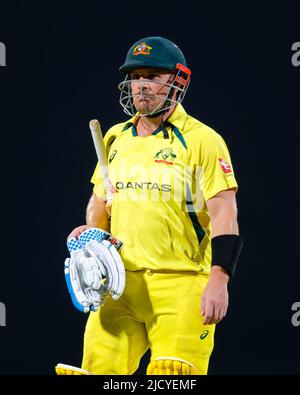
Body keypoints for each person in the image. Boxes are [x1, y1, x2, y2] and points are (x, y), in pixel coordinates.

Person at [56, 36, 243, 375]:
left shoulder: (202, 140)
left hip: (183, 285)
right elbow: (101, 202)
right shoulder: (115, 138)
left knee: (173, 377)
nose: (141, 85)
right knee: (96, 373)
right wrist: (93, 238)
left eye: (152, 76)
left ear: (178, 81)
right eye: (136, 76)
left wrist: (220, 279)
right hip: (120, 287)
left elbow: (224, 213)